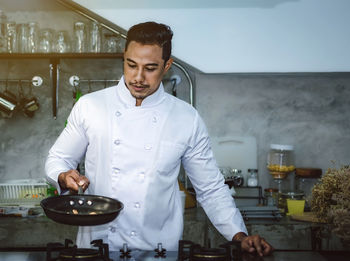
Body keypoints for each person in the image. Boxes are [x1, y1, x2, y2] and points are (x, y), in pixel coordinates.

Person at [45, 21, 273, 256]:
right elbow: (58, 159)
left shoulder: (186, 118)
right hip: (99, 247)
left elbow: (210, 188)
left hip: (159, 250)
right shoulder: (90, 106)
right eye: (131, 65)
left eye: (150, 68)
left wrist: (240, 235)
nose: (138, 77)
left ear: (167, 66)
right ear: (124, 58)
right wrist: (63, 176)